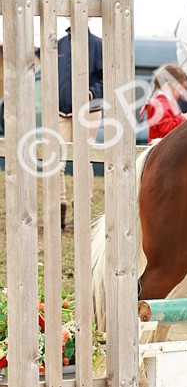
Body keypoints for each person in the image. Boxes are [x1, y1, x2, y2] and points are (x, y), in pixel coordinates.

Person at [57, 23, 103, 231]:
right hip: (60, 111)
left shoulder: (97, 44)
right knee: (56, 159)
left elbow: (106, 78)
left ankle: (82, 213)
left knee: (84, 160)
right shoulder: (58, 45)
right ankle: (58, 210)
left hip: (88, 111)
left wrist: (90, 93)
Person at [143, 64, 187, 142]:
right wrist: (183, 118)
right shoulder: (161, 103)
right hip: (161, 149)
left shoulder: (164, 102)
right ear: (169, 84)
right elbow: (166, 128)